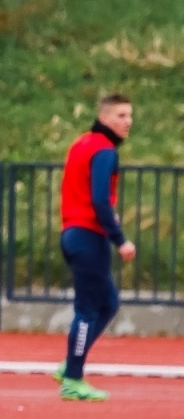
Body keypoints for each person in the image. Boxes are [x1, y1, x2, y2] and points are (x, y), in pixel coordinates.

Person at [54, 93, 137, 402]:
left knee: (109, 303)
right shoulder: (104, 151)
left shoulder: (81, 143)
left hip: (72, 233)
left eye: (129, 115)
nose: (128, 121)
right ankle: (73, 378)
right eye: (121, 115)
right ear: (104, 119)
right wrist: (121, 239)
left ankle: (70, 365)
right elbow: (100, 199)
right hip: (89, 236)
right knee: (88, 311)